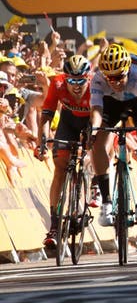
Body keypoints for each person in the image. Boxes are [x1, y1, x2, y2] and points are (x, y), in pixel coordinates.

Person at [89, 43, 137, 227]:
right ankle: (106, 202)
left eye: (119, 76)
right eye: (109, 78)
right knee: (98, 141)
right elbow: (96, 110)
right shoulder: (97, 79)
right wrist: (93, 130)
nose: (114, 82)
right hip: (111, 102)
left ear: (127, 70)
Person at [36, 55, 92, 248]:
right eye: (72, 81)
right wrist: (41, 141)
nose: (76, 86)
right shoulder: (58, 84)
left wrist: (90, 141)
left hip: (91, 121)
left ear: (88, 78)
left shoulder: (95, 87)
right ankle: (54, 225)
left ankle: (83, 202)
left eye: (81, 80)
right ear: (65, 78)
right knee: (59, 168)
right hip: (68, 122)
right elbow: (46, 116)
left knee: (85, 161)